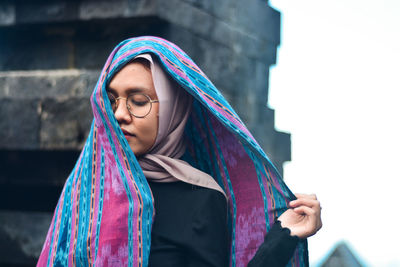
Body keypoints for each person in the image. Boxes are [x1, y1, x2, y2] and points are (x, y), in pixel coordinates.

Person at [37, 36, 321, 267]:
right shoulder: (86, 189)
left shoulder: (199, 200)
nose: (119, 114)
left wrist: (283, 237)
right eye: (111, 101)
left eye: (137, 101)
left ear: (173, 109)